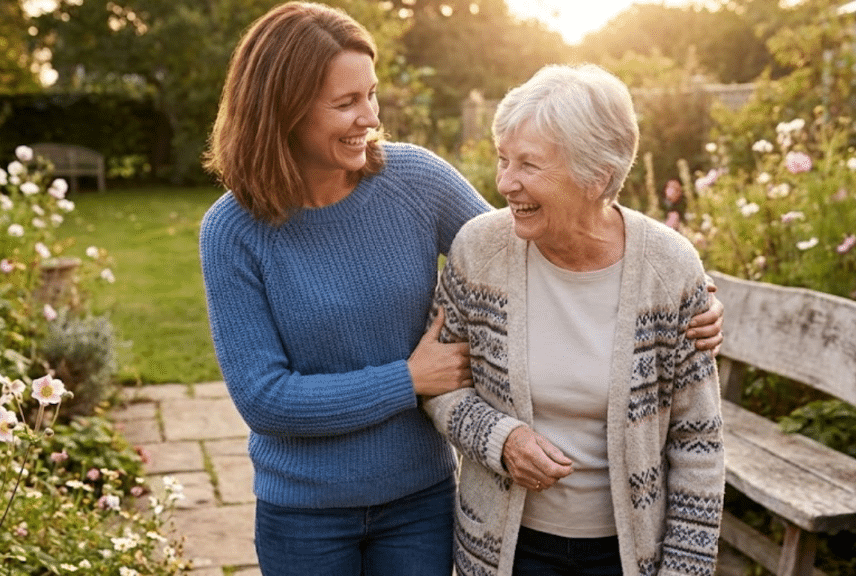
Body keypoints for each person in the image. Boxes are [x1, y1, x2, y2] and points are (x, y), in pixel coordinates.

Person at [198, 3, 724, 575]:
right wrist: (408, 380)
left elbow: (528, 251)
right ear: (283, 112)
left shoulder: (415, 180)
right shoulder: (233, 231)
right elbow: (264, 399)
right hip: (304, 512)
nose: (369, 117)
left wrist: (681, 292)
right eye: (345, 103)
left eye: (371, 95)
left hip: (416, 500)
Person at [422, 63, 725, 576]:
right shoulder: (479, 250)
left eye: (528, 166)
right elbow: (438, 385)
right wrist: (502, 440)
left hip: (627, 557)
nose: (505, 182)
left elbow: (697, 440)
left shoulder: (669, 268)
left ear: (597, 176)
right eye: (503, 159)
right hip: (505, 550)